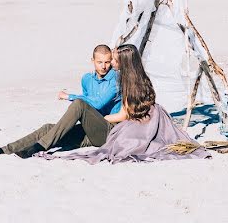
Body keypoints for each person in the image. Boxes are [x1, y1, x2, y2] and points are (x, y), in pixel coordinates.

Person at [48, 43, 209, 164]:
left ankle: (39, 145)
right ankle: (34, 144)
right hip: (138, 123)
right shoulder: (140, 79)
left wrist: (95, 119)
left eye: (114, 60)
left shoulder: (126, 84)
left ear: (123, 63)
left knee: (73, 125)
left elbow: (123, 115)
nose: (110, 63)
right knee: (54, 130)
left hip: (129, 128)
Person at [0, 44, 121, 158]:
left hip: (108, 132)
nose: (104, 66)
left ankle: (38, 147)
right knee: (48, 128)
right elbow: (89, 103)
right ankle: (1, 150)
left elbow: (96, 104)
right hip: (89, 130)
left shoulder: (115, 78)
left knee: (79, 104)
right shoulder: (87, 79)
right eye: (99, 62)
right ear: (92, 61)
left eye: (107, 62)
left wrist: (70, 96)